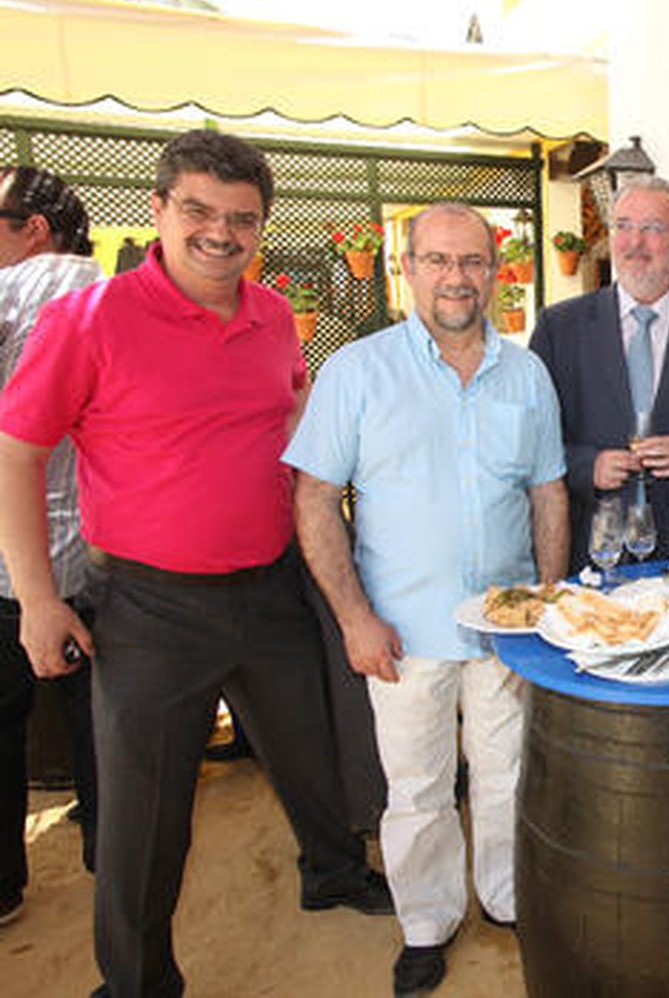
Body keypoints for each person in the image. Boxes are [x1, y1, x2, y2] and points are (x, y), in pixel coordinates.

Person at [0, 130, 392, 998]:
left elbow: (288, 420)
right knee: (144, 810)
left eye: (242, 218)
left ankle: (332, 873)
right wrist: (36, 598)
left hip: (271, 582)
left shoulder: (275, 317)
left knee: (311, 752)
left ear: (261, 227)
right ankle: (138, 980)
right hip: (150, 605)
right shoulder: (90, 318)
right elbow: (16, 452)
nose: (221, 232)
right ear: (158, 211)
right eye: (199, 211)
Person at [288, 202, 569, 998]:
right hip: (401, 632)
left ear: (494, 271)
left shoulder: (527, 373)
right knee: (414, 787)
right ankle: (427, 924)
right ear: (407, 268)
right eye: (440, 261)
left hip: (507, 629)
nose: (457, 277)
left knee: (508, 773)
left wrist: (545, 603)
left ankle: (508, 901)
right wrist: (353, 618)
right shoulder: (357, 370)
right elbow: (313, 499)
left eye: (473, 261)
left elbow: (549, 494)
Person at [532, 176, 669, 573]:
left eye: (652, 229)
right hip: (590, 555)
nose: (635, 243)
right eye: (624, 227)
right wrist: (587, 466)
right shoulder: (559, 328)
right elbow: (531, 443)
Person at [0, 167, 102, 924]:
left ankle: (4, 884)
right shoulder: (115, 289)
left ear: (32, 228)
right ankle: (109, 844)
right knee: (103, 723)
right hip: (103, 553)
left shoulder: (15, 292)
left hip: (15, 560)